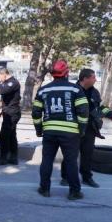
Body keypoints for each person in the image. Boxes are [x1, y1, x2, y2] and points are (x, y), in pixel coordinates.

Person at [32, 60, 89, 200]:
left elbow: (36, 112)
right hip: (70, 133)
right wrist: (81, 130)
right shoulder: (75, 89)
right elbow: (83, 111)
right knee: (70, 162)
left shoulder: (43, 90)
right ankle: (74, 192)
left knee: (47, 160)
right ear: (67, 73)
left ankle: (44, 189)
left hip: (50, 132)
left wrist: (39, 130)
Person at [60, 69, 112, 188]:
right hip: (74, 129)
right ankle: (65, 177)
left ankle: (87, 177)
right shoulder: (72, 91)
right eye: (93, 77)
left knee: (87, 155)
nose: (95, 80)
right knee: (70, 155)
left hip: (90, 129)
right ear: (85, 78)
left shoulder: (95, 92)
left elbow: (100, 107)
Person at [0, 67, 21, 165]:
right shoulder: (8, 82)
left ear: (4, 74)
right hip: (9, 111)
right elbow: (9, 100)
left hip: (12, 113)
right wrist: (2, 109)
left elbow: (2, 91)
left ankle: (3, 158)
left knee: (3, 136)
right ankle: (13, 157)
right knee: (11, 135)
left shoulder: (13, 82)